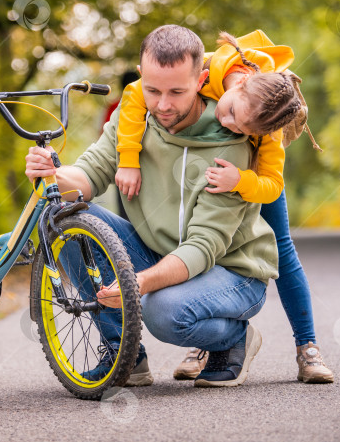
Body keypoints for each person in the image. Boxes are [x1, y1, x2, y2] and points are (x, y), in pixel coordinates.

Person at [25, 24, 280, 387]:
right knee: (65, 219)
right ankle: (123, 354)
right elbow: (91, 174)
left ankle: (234, 339)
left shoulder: (232, 145)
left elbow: (202, 247)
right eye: (153, 90)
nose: (162, 104)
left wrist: (136, 283)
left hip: (232, 271)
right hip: (158, 254)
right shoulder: (132, 120)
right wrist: (52, 174)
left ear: (202, 80)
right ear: (141, 78)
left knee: (164, 312)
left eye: (177, 92)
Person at [114, 30, 334, 384]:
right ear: (239, 85)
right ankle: (202, 341)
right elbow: (138, 93)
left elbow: (272, 185)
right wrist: (128, 158)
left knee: (281, 248)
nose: (227, 123)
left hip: (250, 177)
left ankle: (307, 347)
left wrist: (241, 181)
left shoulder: (268, 130)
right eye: (230, 112)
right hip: (216, 168)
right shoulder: (211, 69)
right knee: (199, 237)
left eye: (242, 127)